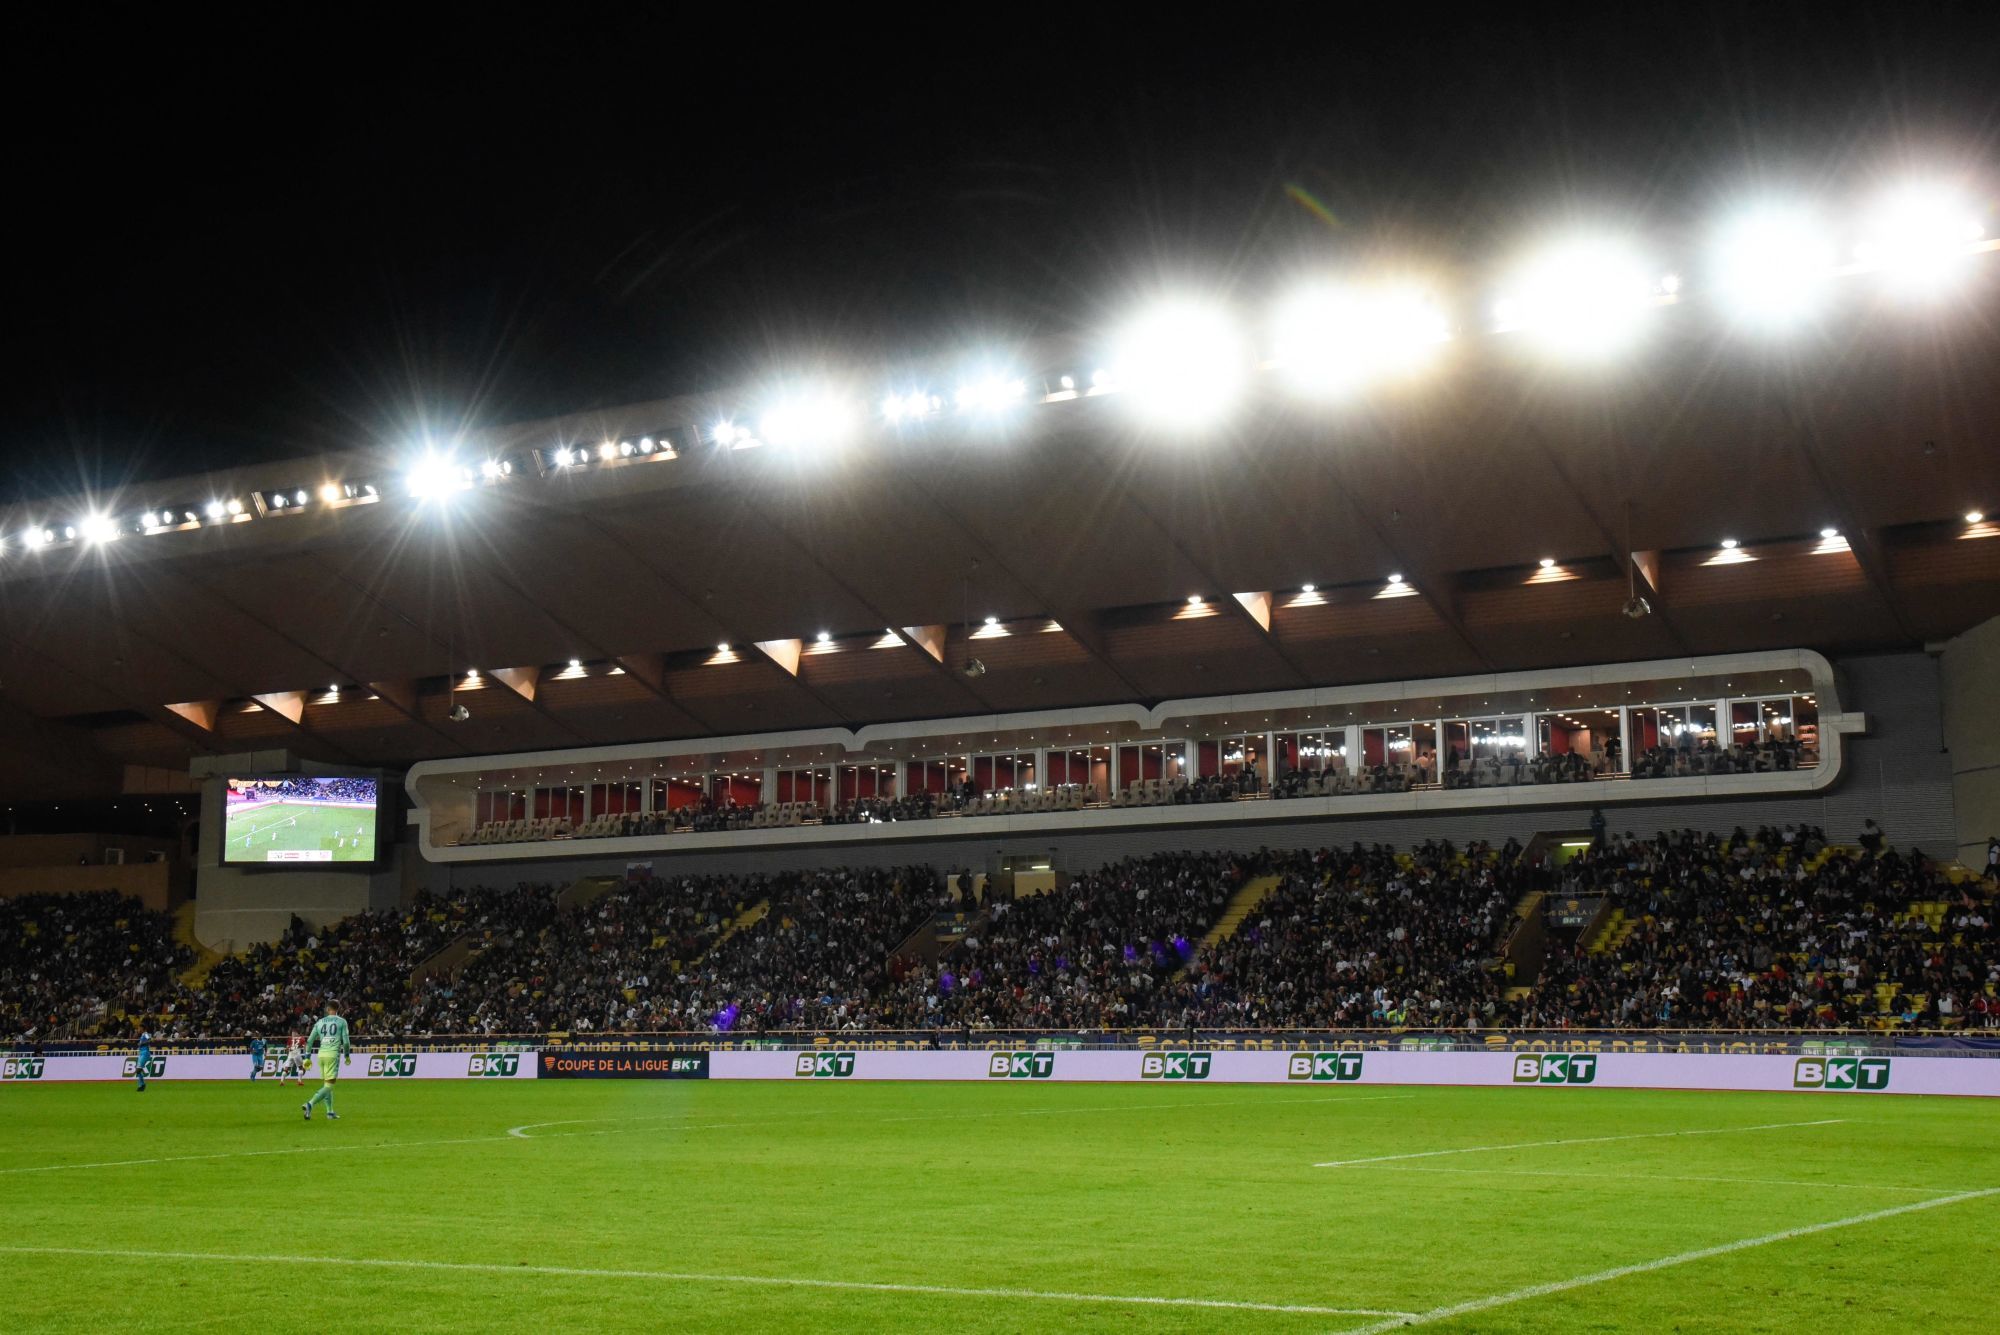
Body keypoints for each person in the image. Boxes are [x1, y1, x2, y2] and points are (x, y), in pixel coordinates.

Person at [300, 1001, 351, 1121]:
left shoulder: (319, 1022)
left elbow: (310, 1041)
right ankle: (310, 1104)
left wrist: (307, 1057)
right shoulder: (342, 1021)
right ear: (338, 1009)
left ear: (328, 1009)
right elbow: (346, 1042)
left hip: (321, 1055)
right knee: (329, 1086)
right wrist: (347, 1055)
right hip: (332, 1055)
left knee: (326, 1084)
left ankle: (330, 1112)